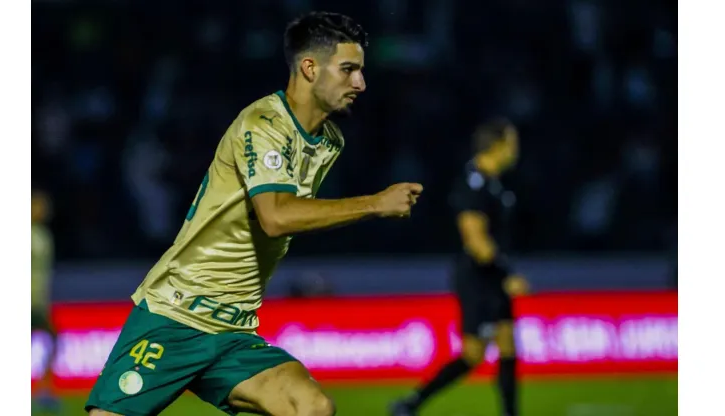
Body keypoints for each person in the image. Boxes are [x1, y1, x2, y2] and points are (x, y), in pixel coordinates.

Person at [86, 11, 422, 416]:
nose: (360, 83)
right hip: (176, 314)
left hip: (234, 331)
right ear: (309, 67)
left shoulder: (329, 142)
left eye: (361, 71)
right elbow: (276, 217)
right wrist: (373, 203)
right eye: (348, 69)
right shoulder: (263, 123)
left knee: (311, 407)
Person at [390, 119, 528, 416]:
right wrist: (507, 274)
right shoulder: (473, 182)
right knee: (473, 354)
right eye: (512, 142)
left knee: (507, 344)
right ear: (498, 145)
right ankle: (412, 402)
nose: (516, 149)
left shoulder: (494, 182)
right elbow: (475, 239)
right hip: (479, 277)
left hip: (492, 275)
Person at [32, 189, 59, 411]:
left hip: (38, 301)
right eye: (38, 205)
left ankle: (44, 389)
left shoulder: (43, 235)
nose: (42, 210)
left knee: (53, 339)